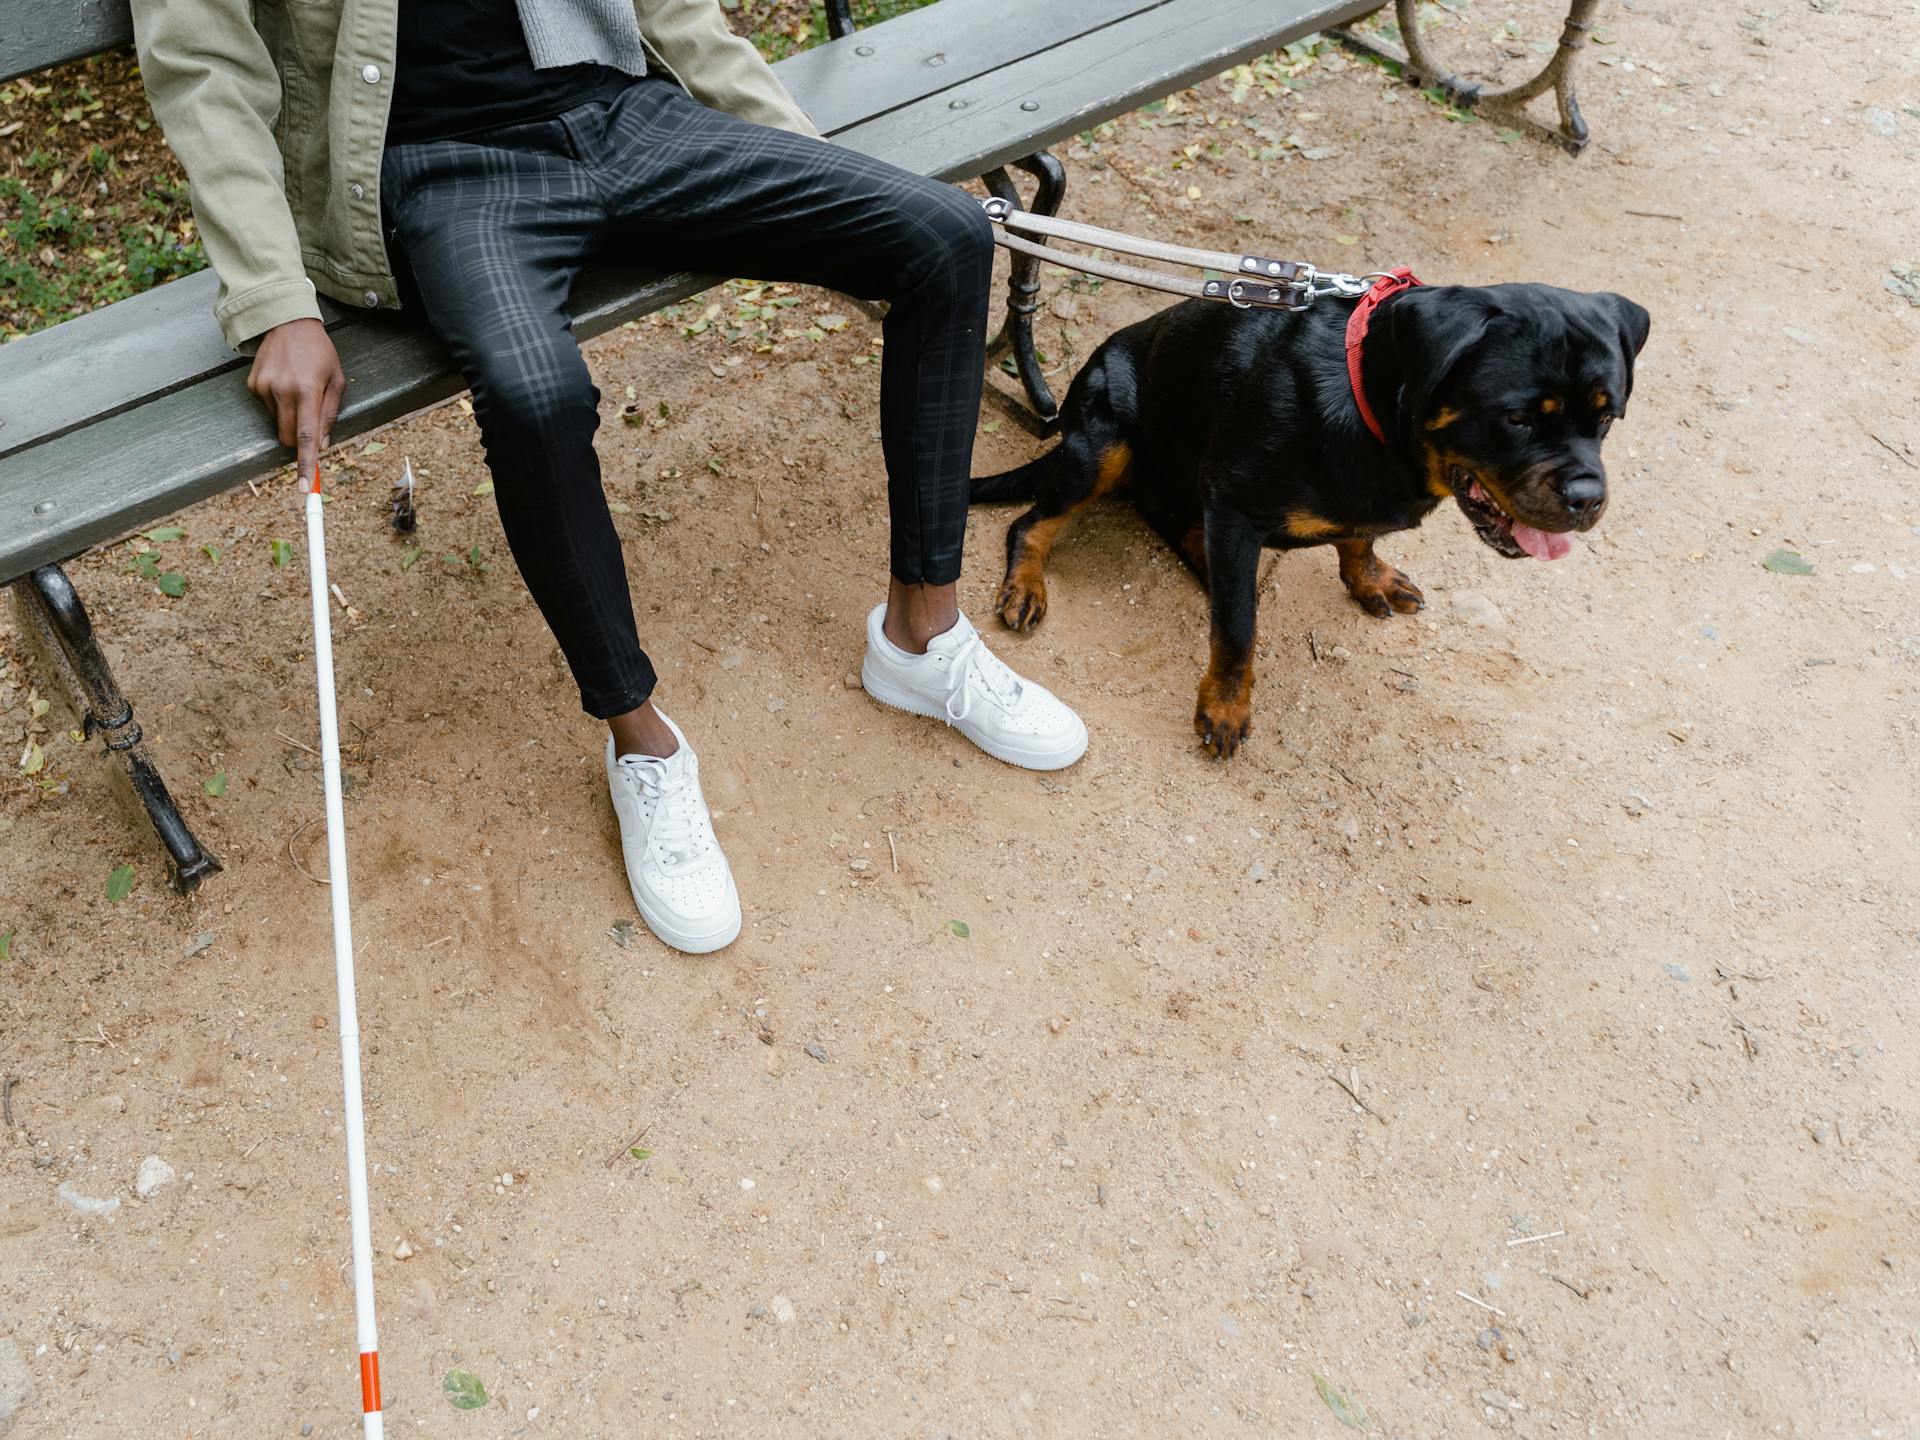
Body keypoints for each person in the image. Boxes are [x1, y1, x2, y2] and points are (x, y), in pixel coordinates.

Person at [130, 0, 1088, 953]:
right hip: (442, 168)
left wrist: (809, 170)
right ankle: (644, 745)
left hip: (625, 117)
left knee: (945, 234)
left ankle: (921, 638)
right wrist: (274, 300)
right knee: (534, 393)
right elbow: (202, 59)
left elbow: (668, 8)